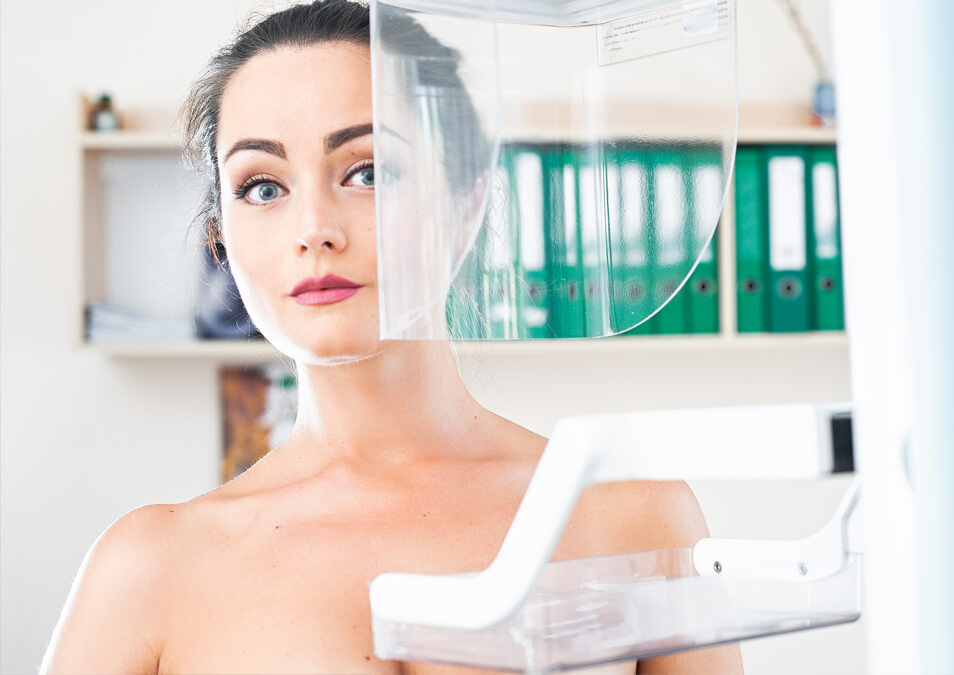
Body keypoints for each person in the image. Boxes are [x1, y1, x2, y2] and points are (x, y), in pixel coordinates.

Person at [41, 2, 742, 672]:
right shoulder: (147, 568)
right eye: (262, 186)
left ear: (465, 204)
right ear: (221, 237)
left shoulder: (636, 518)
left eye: (368, 171)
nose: (314, 227)